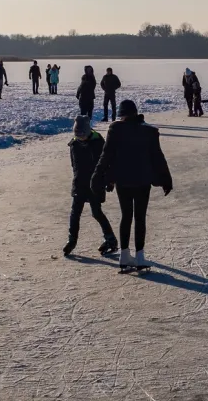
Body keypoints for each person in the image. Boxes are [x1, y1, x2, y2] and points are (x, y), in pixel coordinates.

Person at [92, 99, 173, 272]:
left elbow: (106, 156)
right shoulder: (149, 132)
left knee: (126, 216)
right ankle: (140, 256)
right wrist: (166, 179)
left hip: (123, 181)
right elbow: (158, 157)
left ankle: (124, 255)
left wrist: (97, 176)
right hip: (143, 180)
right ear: (136, 113)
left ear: (122, 115)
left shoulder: (115, 130)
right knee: (140, 217)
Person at [63, 115, 118, 258]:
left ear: (88, 132)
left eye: (82, 135)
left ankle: (110, 239)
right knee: (75, 213)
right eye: (77, 135)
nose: (80, 137)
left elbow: (108, 162)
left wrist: (110, 180)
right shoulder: (73, 144)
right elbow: (73, 165)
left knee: (96, 212)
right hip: (79, 183)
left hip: (95, 183)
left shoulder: (98, 142)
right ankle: (72, 240)